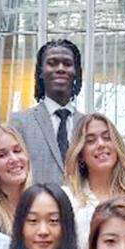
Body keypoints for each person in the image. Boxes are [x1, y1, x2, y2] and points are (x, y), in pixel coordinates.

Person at [63, 113, 125, 249]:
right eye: (90, 141)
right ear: (80, 154)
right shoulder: (68, 197)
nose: (101, 144)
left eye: (107, 138)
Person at [8, 39, 85, 186]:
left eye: (67, 64)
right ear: (41, 72)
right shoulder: (19, 123)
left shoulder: (87, 124)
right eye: (52, 63)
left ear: (76, 72)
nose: (60, 68)